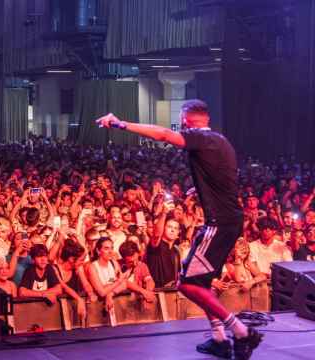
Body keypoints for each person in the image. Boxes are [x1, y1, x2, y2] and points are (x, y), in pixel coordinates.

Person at [98, 99, 262, 359]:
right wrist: (202, 189)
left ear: (186, 119)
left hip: (219, 223)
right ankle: (219, 338)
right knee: (202, 281)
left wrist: (121, 123)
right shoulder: (222, 142)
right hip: (228, 219)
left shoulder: (200, 138)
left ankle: (241, 331)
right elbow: (224, 177)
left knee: (186, 284)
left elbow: (163, 134)